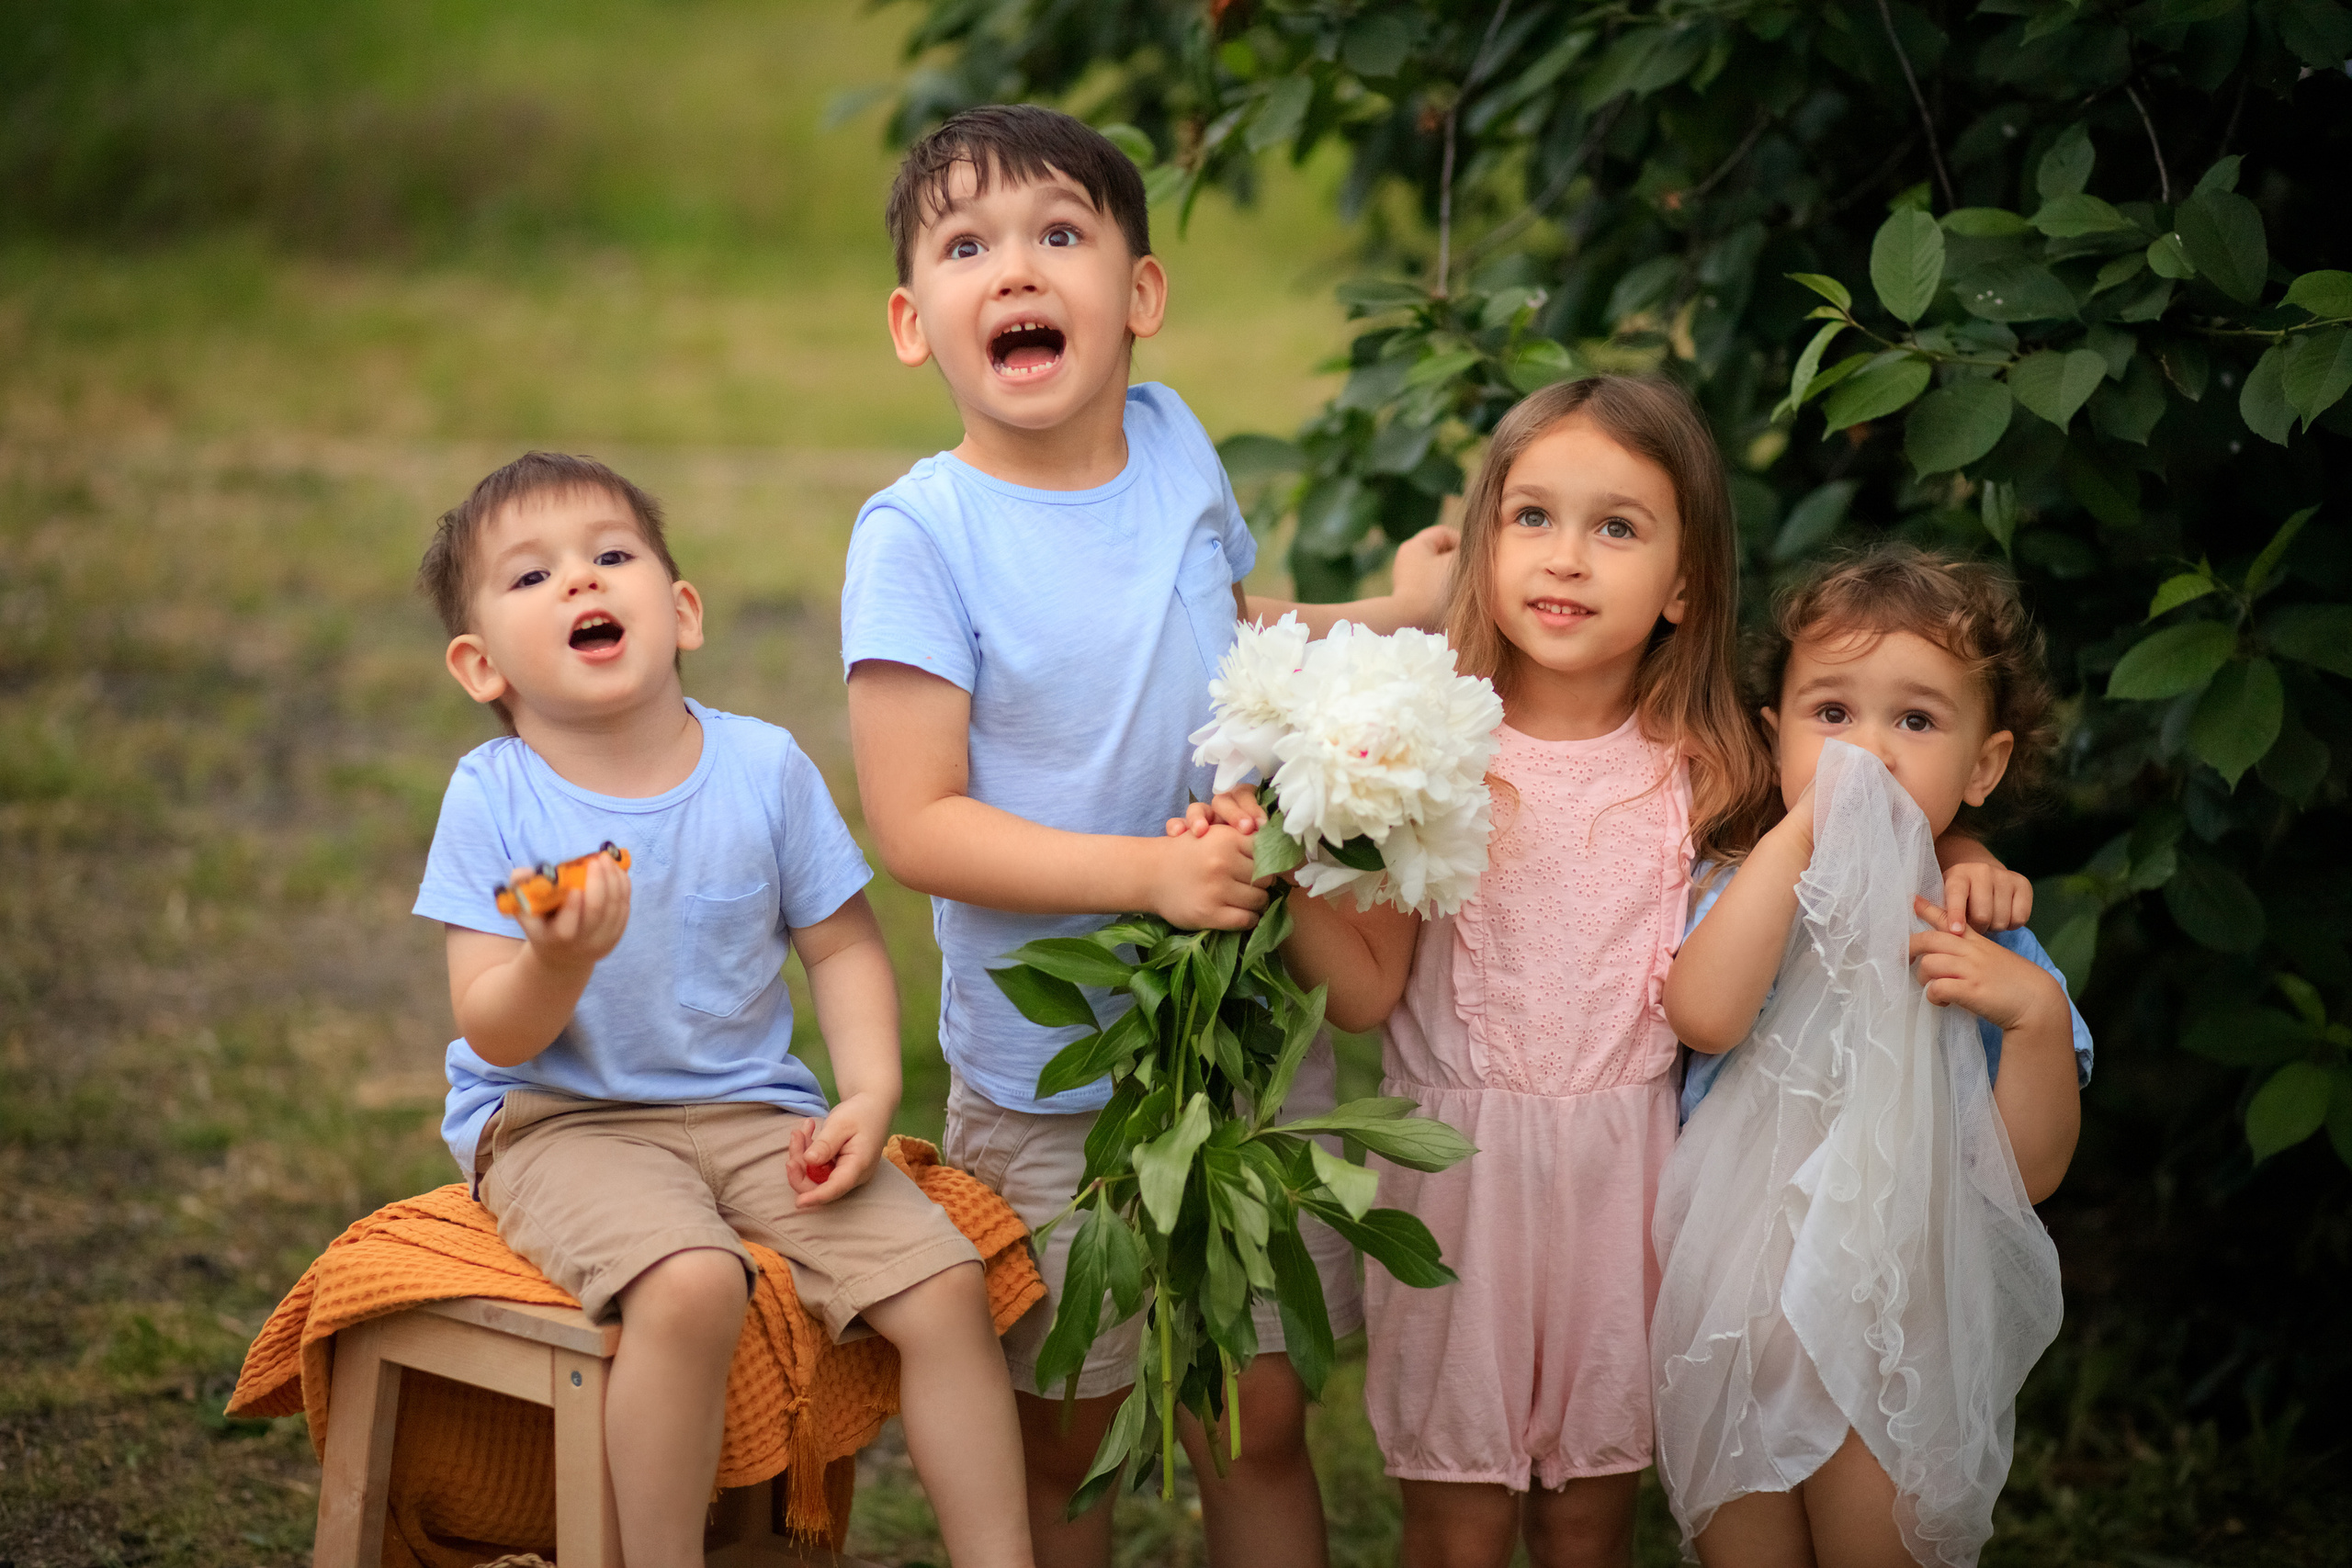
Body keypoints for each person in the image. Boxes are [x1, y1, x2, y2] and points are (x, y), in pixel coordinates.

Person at [839, 103, 1456, 1568]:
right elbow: (915, 822)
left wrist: (1383, 617)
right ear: (913, 321)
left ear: (1141, 294)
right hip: (1061, 1076)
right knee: (1067, 1425)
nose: (1019, 272)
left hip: (1239, 1039)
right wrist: (1146, 878)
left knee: (1255, 1409)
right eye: (968, 246)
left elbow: (1225, 637)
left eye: (1062, 234)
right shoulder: (920, 538)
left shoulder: (1176, 446)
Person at [1269, 378, 2021, 1568]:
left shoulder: (1711, 759)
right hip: (1456, 1175)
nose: (1568, 558)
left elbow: (1869, 800)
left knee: (1588, 1515)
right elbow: (1364, 993)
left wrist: (1967, 847)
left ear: (1683, 581)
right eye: (1533, 516)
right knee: (1456, 1518)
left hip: (1635, 1183)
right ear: (1485, 543)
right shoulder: (1425, 745)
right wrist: (1281, 858)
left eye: (1616, 525)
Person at [411, 452, 1035, 1568]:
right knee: (695, 1281)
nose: (579, 584)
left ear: (681, 609)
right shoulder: (492, 796)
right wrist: (558, 962)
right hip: (564, 1123)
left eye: (611, 556)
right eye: (531, 576)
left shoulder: (763, 765)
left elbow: (839, 942)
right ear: (478, 664)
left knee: (943, 1283)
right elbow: (491, 1030)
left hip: (754, 1115)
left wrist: (870, 1093)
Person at [1653, 545, 2092, 1568]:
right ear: (1776, 741)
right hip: (1736, 1316)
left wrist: (2029, 1017)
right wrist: (1800, 833)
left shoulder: (1979, 940)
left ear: (1982, 765)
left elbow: (2025, 1174)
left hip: (1894, 1331)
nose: (1868, 755)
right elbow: (1704, 1015)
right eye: (1832, 716)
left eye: (1917, 721)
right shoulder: (1753, 891)